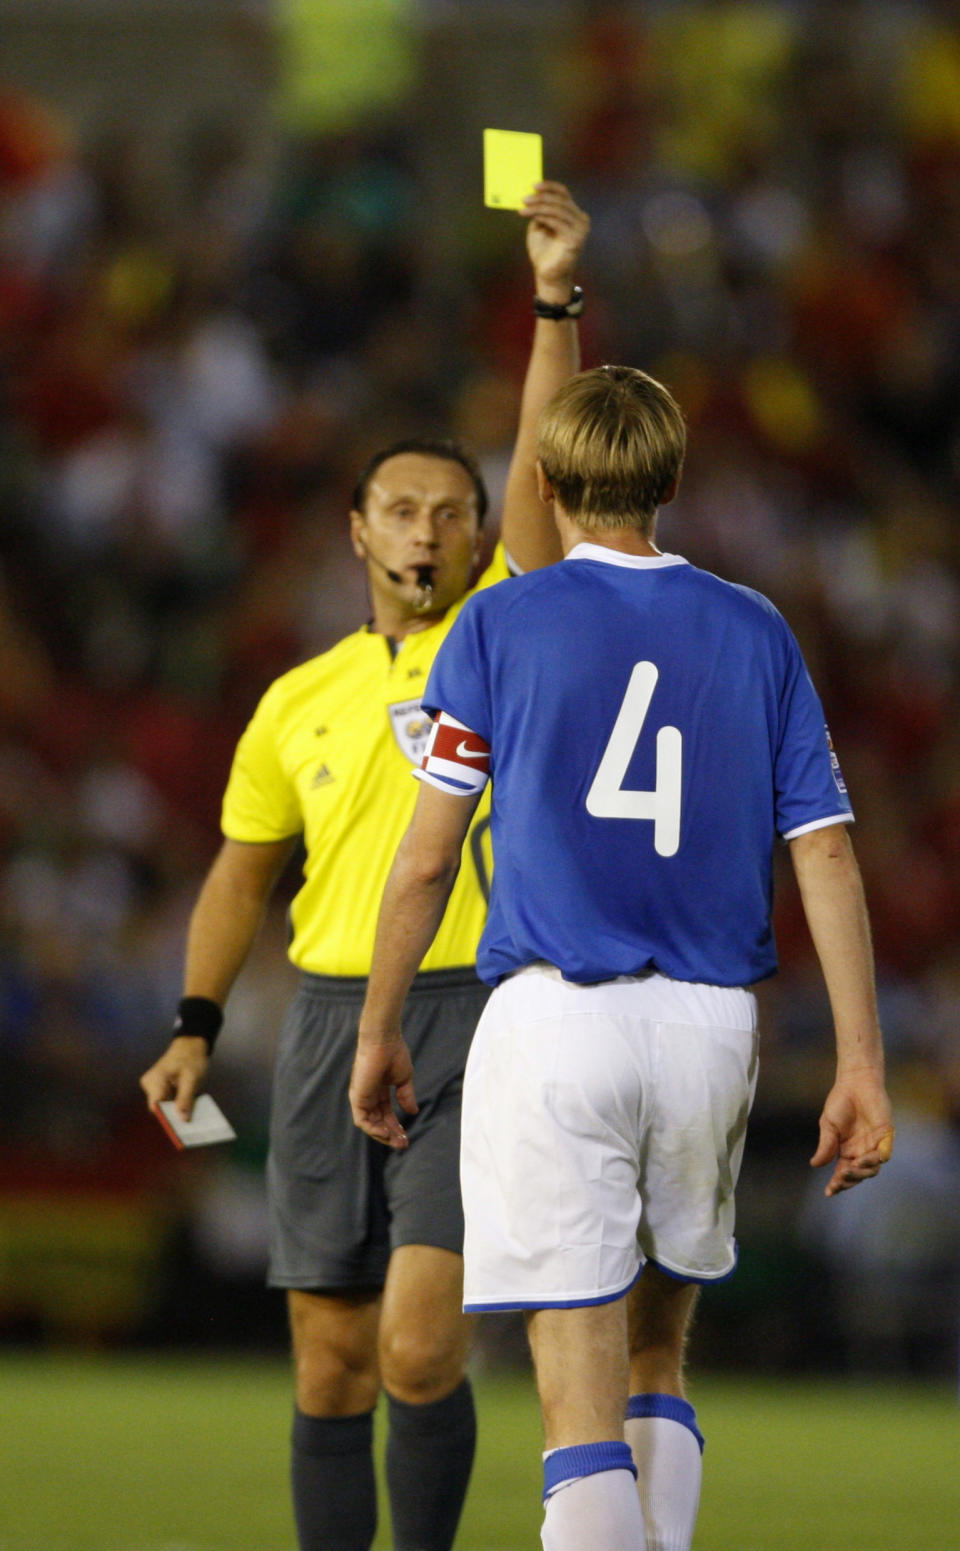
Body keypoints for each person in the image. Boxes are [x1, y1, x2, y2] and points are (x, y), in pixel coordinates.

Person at [350, 364, 896, 1551]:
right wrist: (862, 1062)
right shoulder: (756, 628)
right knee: (661, 1350)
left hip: (555, 1019)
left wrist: (379, 1022)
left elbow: (427, 861)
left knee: (572, 1381)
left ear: (540, 481)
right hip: (709, 1027)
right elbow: (832, 857)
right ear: (673, 479)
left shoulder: (499, 620)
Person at [139, 183, 591, 1551]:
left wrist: (554, 299)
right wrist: (194, 1021)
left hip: (476, 1011)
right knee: (328, 1359)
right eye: (398, 509)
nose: (425, 531)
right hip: (330, 1017)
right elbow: (237, 874)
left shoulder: (509, 626)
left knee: (413, 1345)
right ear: (357, 530)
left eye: (449, 513)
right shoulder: (297, 698)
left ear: (476, 535)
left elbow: (542, 459)